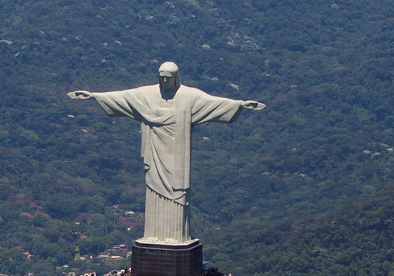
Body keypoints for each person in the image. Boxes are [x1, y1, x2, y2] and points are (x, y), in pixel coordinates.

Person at [68, 62, 264, 244]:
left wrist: (240, 104)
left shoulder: (189, 96)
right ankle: (153, 235)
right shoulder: (147, 95)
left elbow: (213, 103)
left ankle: (177, 236)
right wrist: (94, 96)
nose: (164, 81)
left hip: (177, 155)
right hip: (154, 152)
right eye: (161, 77)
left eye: (168, 77)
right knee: (154, 189)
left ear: (176, 77)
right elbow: (123, 97)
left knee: (177, 192)